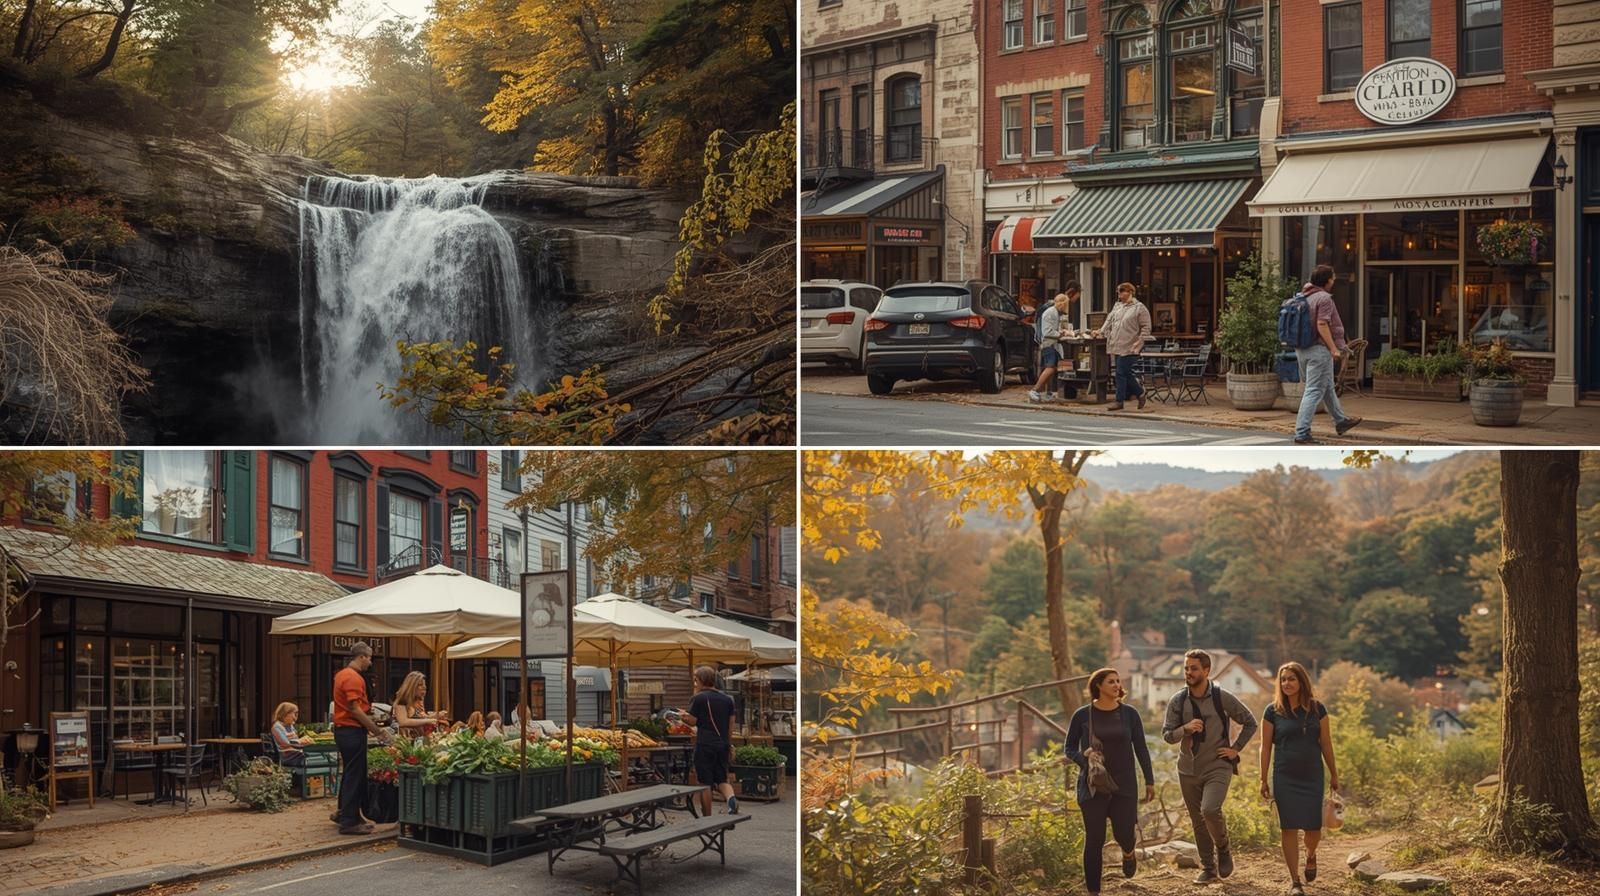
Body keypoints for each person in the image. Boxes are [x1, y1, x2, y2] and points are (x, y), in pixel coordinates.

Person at [1162, 649, 1258, 883]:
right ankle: (1208, 867)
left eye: (1194, 668)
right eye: (1186, 668)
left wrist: (1236, 749)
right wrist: (1185, 729)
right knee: (1197, 820)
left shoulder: (1221, 697)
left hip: (1218, 765)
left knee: (1210, 810)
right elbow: (1167, 735)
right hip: (1188, 769)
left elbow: (1250, 722)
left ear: (1206, 670)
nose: (1189, 672)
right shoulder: (1178, 700)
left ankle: (1223, 849)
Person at [1064, 669, 1155, 894]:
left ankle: (1128, 852)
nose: (1116, 685)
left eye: (1118, 681)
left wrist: (1150, 780)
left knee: (1124, 833)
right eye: (1110, 682)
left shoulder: (1130, 714)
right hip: (1094, 783)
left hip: (1125, 783)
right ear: (1098, 686)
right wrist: (1083, 758)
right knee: (1094, 838)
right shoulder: (1083, 715)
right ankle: (1093, 891)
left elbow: (1141, 748)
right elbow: (1068, 748)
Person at [1260, 662, 1339, 896]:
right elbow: (1265, 748)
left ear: (1302, 681)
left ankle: (1311, 854)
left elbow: (1326, 743)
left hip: (1312, 775)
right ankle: (1295, 881)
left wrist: (1334, 773)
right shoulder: (1272, 711)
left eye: (1291, 679)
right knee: (1289, 827)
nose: (1286, 683)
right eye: (1283, 679)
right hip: (1284, 775)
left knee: (1313, 828)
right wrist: (1262, 778)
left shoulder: (1318, 709)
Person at [1292, 265, 1362, 444]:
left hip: (1302, 349)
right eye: (1332, 278)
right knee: (1314, 390)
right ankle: (1302, 433)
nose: (1334, 281)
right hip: (1319, 350)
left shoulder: (1303, 296)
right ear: (1327, 280)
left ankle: (1340, 421)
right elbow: (1322, 324)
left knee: (1328, 387)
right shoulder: (1323, 298)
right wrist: (1333, 348)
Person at [332, 641, 390, 834]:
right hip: (352, 730)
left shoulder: (341, 675)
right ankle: (349, 822)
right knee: (355, 775)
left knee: (350, 773)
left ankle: (345, 813)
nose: (370, 662)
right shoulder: (353, 678)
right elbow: (354, 708)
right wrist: (376, 730)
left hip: (343, 729)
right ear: (362, 656)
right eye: (370, 658)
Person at [683, 664, 739, 816]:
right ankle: (731, 799)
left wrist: (683, 717)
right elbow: (730, 726)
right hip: (722, 744)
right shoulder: (728, 700)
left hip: (705, 744)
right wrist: (728, 744)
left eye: (695, 680)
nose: (695, 683)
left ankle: (707, 817)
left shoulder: (699, 698)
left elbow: (693, 721)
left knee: (705, 782)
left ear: (700, 680)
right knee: (722, 779)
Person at [1095, 282, 1152, 411]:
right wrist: (1101, 331)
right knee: (1125, 372)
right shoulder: (1117, 306)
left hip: (1131, 345)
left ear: (1130, 292)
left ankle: (1119, 401)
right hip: (1117, 343)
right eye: (1119, 291)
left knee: (1121, 372)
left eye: (1122, 291)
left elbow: (1146, 326)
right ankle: (1140, 393)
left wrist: (1140, 340)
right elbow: (1109, 320)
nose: (1119, 294)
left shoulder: (1139, 308)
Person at [392, 671, 446, 741]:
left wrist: (436, 715)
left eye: (424, 685)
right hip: (407, 740)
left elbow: (421, 718)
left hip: (421, 738)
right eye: (420, 685)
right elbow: (403, 722)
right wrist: (427, 721)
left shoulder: (419, 700)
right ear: (411, 686)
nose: (424, 687)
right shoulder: (402, 701)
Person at [270, 702, 313, 767]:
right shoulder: (277, 727)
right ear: (285, 714)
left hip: (296, 753)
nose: (296, 717)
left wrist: (304, 740)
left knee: (319, 756)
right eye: (295, 713)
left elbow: (296, 740)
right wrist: (300, 741)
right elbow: (285, 743)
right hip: (289, 757)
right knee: (318, 759)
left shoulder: (290, 725)